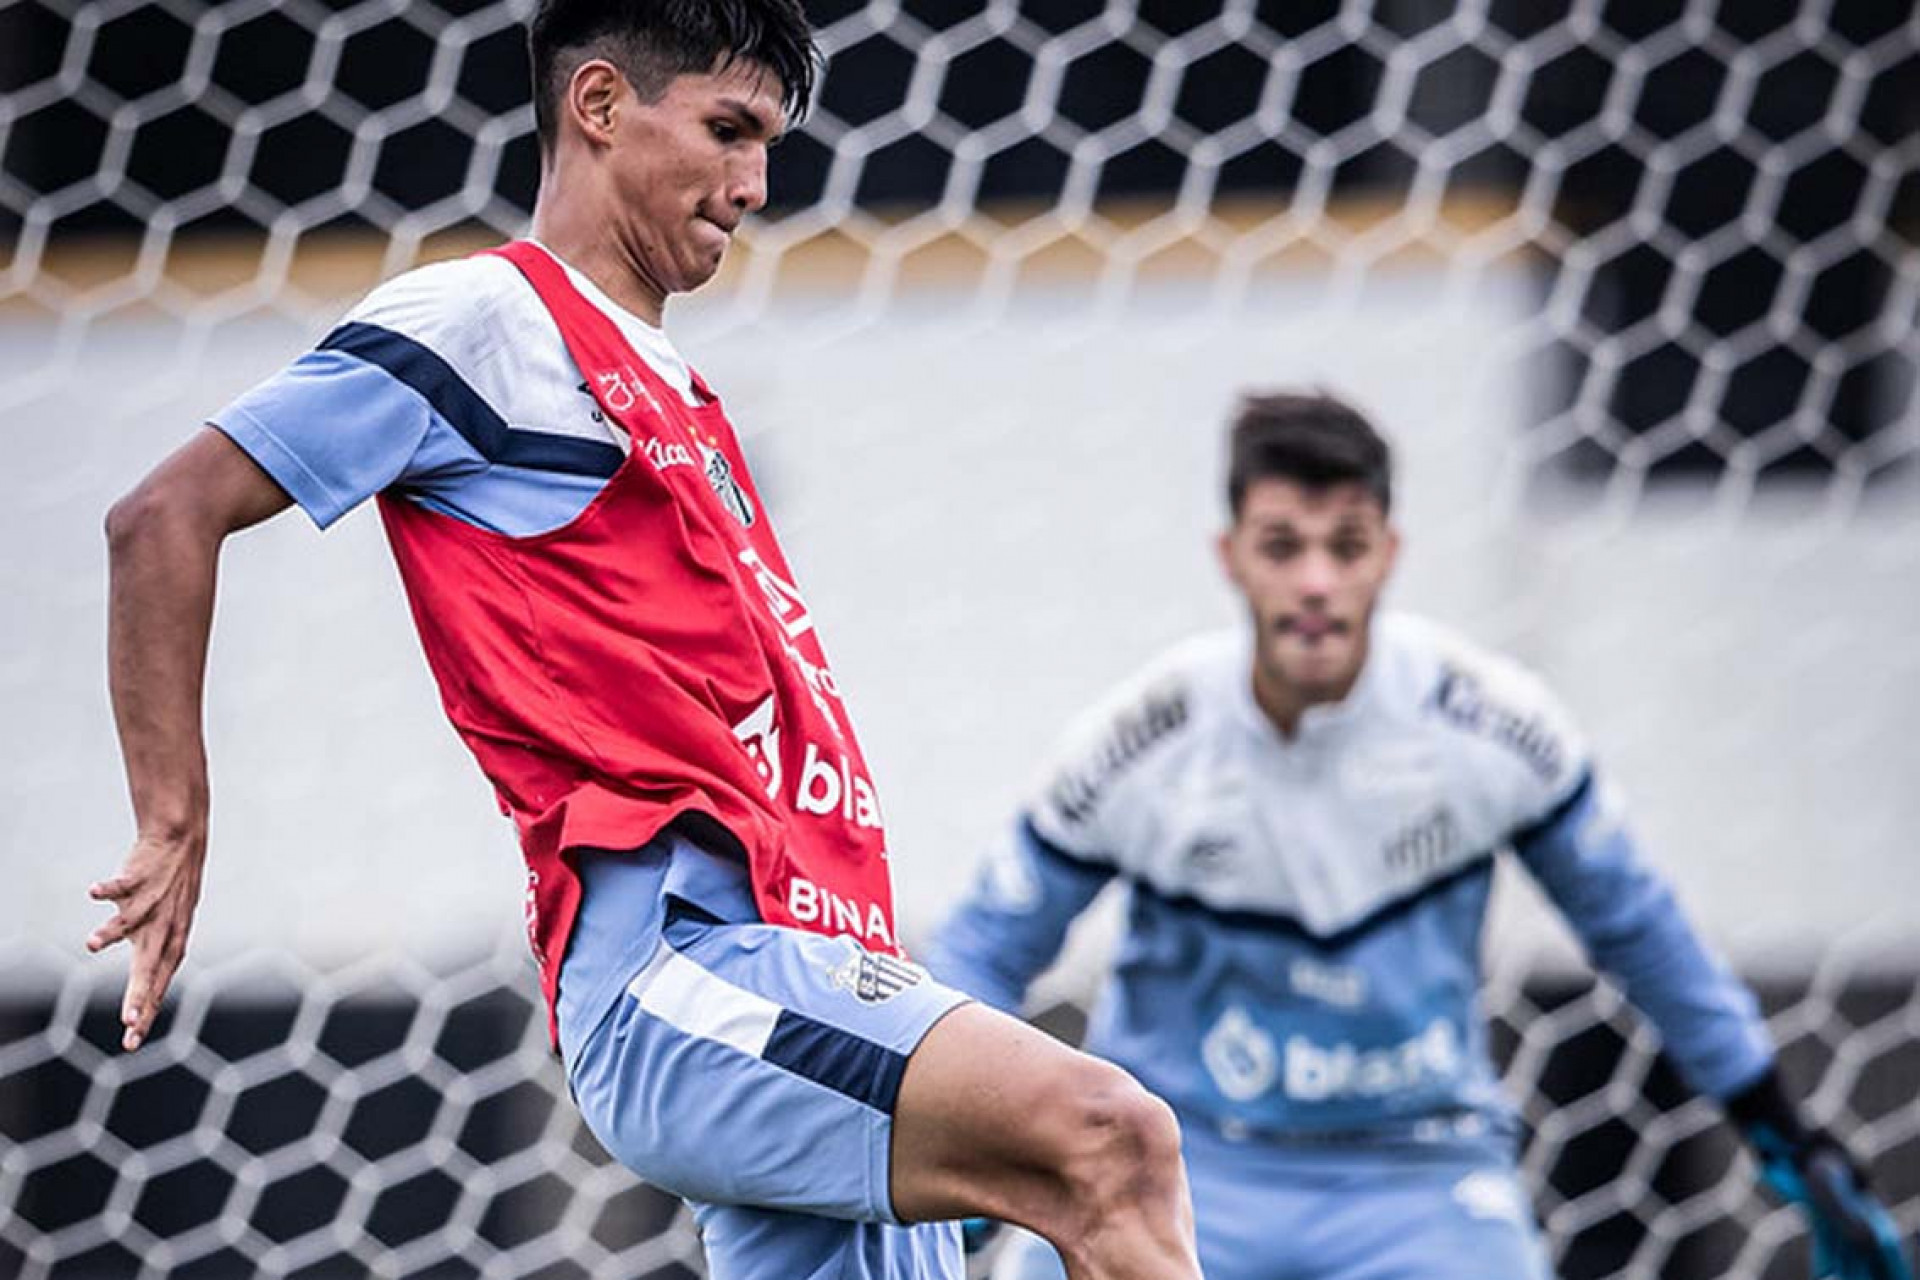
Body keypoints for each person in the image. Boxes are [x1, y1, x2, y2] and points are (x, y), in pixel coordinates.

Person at [88, 4, 1204, 1277]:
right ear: (601, 105)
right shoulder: (484, 319)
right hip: (679, 966)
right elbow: (162, 515)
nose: (755, 184)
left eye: (770, 144)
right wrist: (173, 816)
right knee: (1114, 1139)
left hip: (799, 950)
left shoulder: (672, 388)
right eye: (729, 132)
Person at [927, 391, 1912, 1280]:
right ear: (1230, 556)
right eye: (1282, 546)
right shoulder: (1144, 739)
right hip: (1182, 1164)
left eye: (1345, 545)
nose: (1315, 579)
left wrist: (1784, 1131)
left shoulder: (1493, 727)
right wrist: (957, 1124)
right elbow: (986, 942)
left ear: (1388, 554)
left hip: (1418, 1168)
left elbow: (1644, 934)